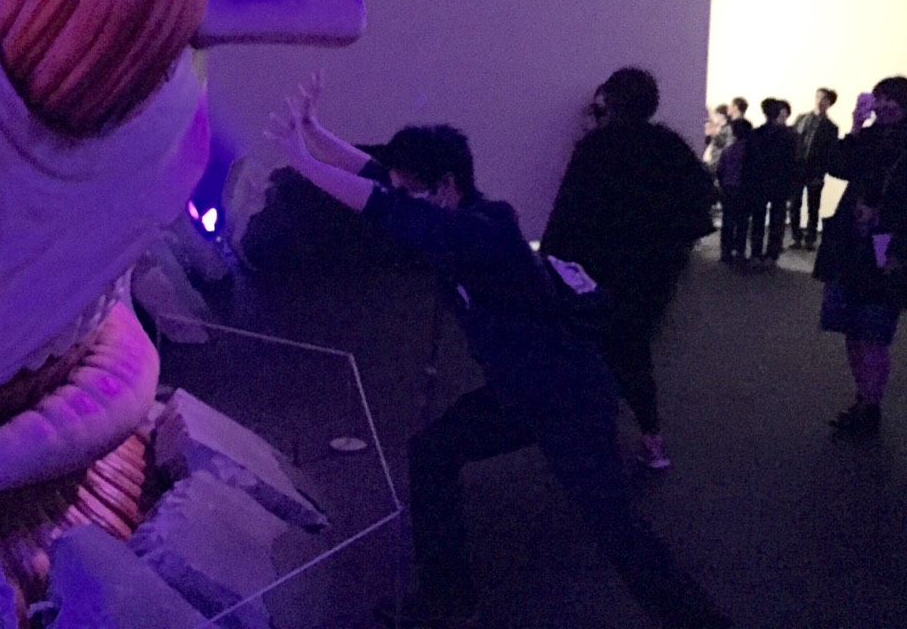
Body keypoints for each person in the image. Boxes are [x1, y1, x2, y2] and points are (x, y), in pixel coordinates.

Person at [263, 75, 731, 629]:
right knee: (432, 453)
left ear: (445, 186)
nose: (400, 194)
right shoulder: (454, 212)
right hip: (519, 392)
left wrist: (302, 160)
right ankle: (448, 601)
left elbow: (384, 207)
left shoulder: (484, 231)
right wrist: (315, 131)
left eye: (412, 190)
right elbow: (380, 180)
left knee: (618, 531)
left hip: (568, 400)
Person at [541, 67, 716, 472]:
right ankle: (651, 440)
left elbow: (568, 213)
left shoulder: (597, 147)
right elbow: (699, 201)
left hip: (598, 271)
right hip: (651, 274)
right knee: (633, 351)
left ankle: (594, 442)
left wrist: (552, 262)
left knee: (589, 349)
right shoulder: (669, 146)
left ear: (612, 101)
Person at [814, 76, 907, 437]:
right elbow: (837, 166)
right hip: (850, 243)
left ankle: (870, 408)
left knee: (873, 328)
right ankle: (862, 400)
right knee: (851, 327)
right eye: (879, 98)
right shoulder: (869, 138)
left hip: (884, 241)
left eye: (892, 100)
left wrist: (883, 223)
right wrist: (855, 126)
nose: (884, 106)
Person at [743, 98, 797, 264]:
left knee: (758, 218)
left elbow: (748, 161)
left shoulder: (755, 134)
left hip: (759, 181)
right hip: (780, 183)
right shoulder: (789, 135)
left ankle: (756, 253)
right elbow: (792, 162)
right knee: (777, 219)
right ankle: (772, 254)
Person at [789, 88, 840, 251]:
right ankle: (796, 237)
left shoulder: (831, 127)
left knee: (813, 205)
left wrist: (822, 171)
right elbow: (792, 140)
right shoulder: (801, 118)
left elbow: (830, 153)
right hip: (797, 168)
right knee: (795, 204)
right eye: (818, 97)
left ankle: (810, 238)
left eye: (824, 98)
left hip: (815, 171)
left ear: (830, 103)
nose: (820, 101)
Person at [717, 118, 754, 264]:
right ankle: (740, 252)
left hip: (728, 189)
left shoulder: (728, 150)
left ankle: (725, 252)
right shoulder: (751, 152)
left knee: (728, 221)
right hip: (744, 190)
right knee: (742, 223)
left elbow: (720, 171)